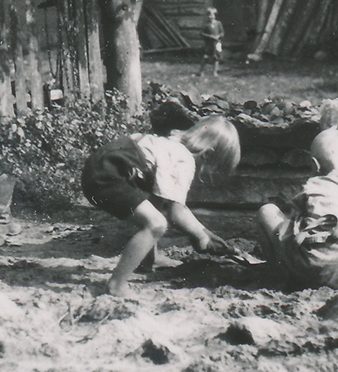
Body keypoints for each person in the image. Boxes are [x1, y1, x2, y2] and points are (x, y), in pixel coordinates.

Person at [81, 116, 241, 297]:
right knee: (156, 224)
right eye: (211, 167)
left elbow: (164, 203)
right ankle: (116, 284)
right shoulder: (183, 159)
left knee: (152, 209)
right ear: (207, 153)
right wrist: (200, 237)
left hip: (98, 168)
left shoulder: (168, 145)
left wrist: (203, 231)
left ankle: (149, 260)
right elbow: (176, 213)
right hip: (107, 176)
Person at [256, 128, 338, 289]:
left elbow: (295, 228)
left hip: (308, 270)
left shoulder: (312, 186)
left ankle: (280, 273)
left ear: (314, 164)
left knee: (267, 211)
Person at [198, 7, 225, 77]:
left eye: (212, 15)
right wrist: (209, 36)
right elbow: (201, 33)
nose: (211, 17)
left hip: (217, 43)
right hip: (209, 43)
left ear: (215, 15)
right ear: (207, 16)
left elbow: (222, 33)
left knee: (216, 57)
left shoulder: (218, 23)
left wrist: (218, 36)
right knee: (205, 57)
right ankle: (201, 71)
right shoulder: (206, 25)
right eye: (209, 15)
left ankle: (215, 72)